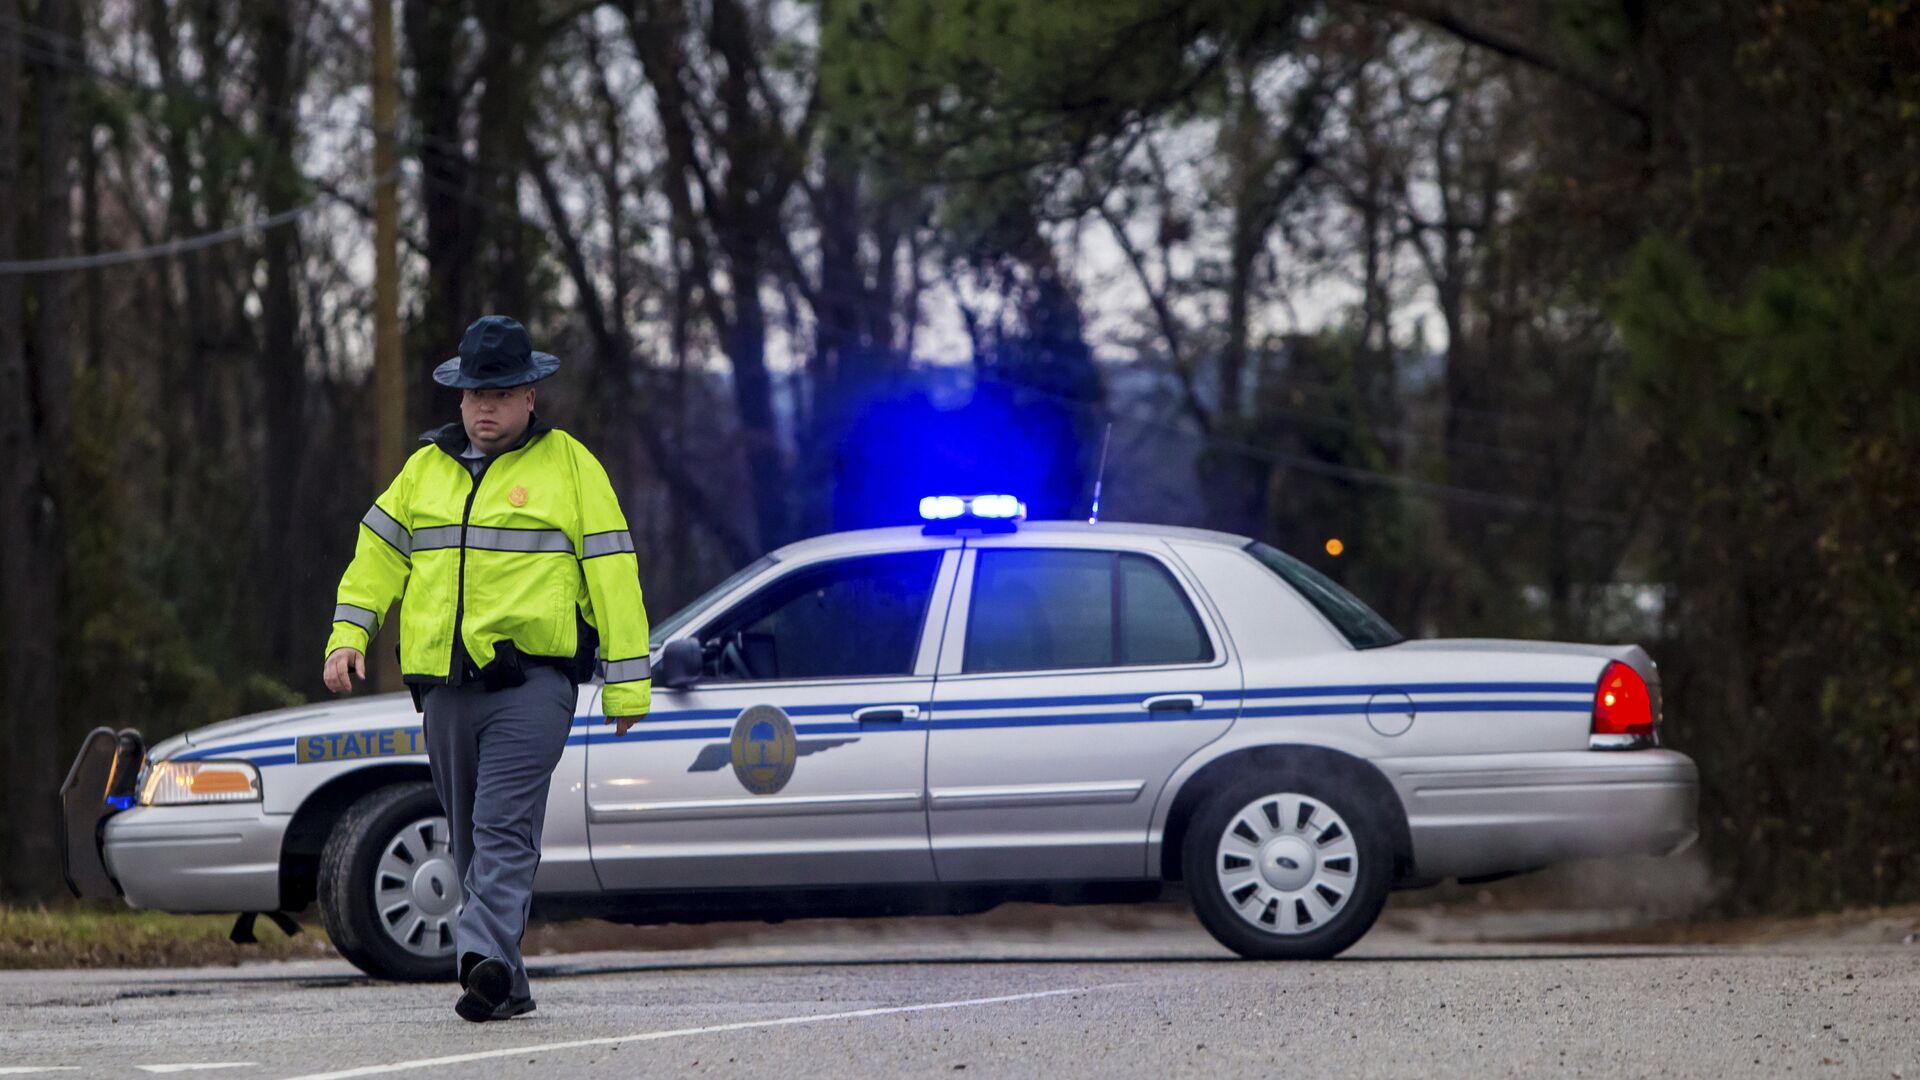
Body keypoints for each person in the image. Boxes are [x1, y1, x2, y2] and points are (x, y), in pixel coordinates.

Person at [321, 315, 651, 1021]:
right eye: (473, 394)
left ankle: (478, 961)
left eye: (499, 393)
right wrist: (349, 634)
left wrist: (629, 684)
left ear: (530, 395)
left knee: (502, 827)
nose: (484, 407)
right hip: (444, 691)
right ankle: (509, 985)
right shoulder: (424, 470)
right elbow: (377, 557)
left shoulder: (569, 466)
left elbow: (614, 574)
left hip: (533, 685)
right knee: (470, 836)